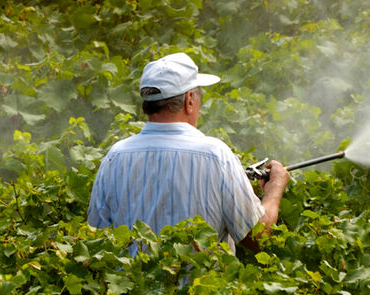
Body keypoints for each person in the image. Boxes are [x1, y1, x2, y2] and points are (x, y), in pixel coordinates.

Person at [87, 52, 289, 255]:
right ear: (189, 100)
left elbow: (96, 240)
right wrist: (275, 188)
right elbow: (257, 238)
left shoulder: (115, 157)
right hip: (203, 287)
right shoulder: (216, 156)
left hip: (132, 286)